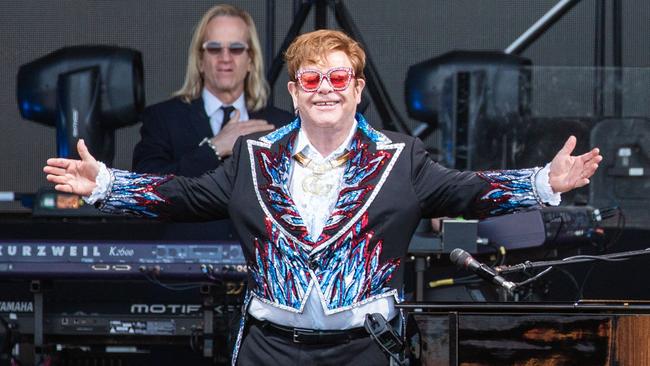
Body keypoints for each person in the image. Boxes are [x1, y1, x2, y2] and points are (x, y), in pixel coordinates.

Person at [45, 29, 602, 366]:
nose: (327, 90)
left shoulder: (399, 158)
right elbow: (181, 197)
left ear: (358, 89)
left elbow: (469, 190)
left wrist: (543, 182)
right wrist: (106, 185)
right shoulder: (253, 157)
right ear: (294, 91)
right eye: (311, 80)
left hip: (365, 348)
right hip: (268, 348)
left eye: (339, 79)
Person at [132, 4, 292, 177]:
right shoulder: (162, 119)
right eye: (214, 48)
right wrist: (215, 148)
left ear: (250, 61)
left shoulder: (282, 125)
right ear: (200, 60)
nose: (225, 58)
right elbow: (145, 189)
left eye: (236, 49)